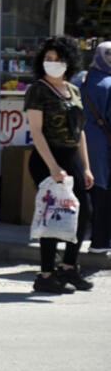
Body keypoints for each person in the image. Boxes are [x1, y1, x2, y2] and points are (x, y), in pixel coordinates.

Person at [24, 36, 94, 293]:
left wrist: (85, 166)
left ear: (69, 63)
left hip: (69, 157)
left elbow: (80, 131)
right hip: (47, 159)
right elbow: (37, 131)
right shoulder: (38, 90)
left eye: (58, 59)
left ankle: (69, 267)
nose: (52, 64)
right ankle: (46, 274)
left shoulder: (73, 90)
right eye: (48, 59)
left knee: (83, 211)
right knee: (52, 214)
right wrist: (52, 166)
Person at [81, 41, 111, 254]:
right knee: (102, 194)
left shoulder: (78, 79)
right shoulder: (109, 84)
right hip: (102, 147)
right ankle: (100, 242)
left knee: (81, 193)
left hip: (77, 145)